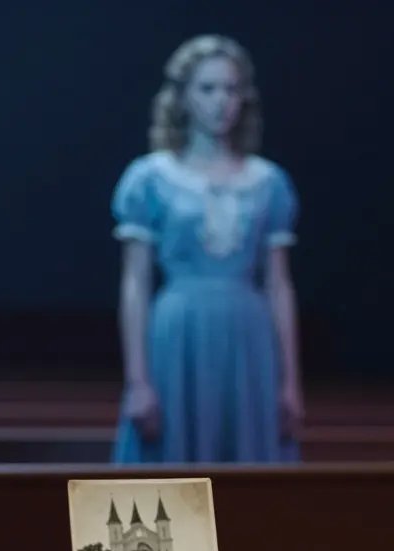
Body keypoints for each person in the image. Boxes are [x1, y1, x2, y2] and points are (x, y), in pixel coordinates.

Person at [111, 34, 303, 464]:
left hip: (248, 339)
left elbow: (279, 285)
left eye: (231, 89)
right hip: (178, 336)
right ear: (183, 96)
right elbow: (135, 283)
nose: (221, 102)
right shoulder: (151, 178)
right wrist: (137, 381)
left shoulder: (268, 182)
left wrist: (291, 381)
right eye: (208, 88)